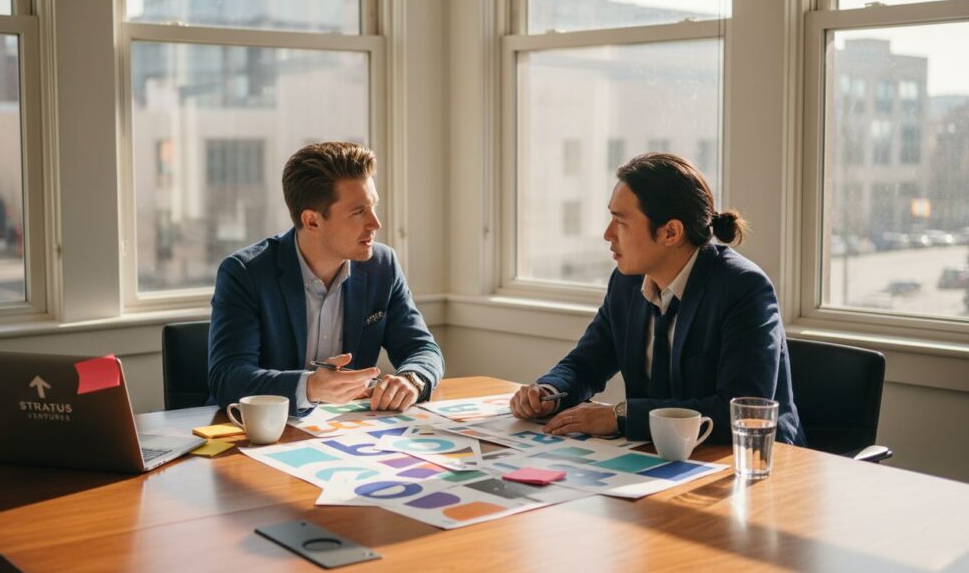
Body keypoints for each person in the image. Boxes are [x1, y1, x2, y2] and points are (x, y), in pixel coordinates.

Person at [510, 152, 805, 445]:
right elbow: (587, 363)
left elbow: (740, 411)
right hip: (656, 456)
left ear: (670, 232)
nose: (607, 234)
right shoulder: (627, 282)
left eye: (620, 222)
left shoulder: (743, 288)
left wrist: (621, 417)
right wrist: (549, 392)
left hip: (750, 463)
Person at [208, 142, 444, 415]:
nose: (375, 224)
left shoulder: (382, 266)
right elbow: (228, 379)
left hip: (343, 436)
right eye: (358, 212)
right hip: (254, 435)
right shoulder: (245, 274)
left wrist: (412, 380)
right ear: (312, 222)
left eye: (373, 207)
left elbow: (422, 348)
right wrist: (309, 387)